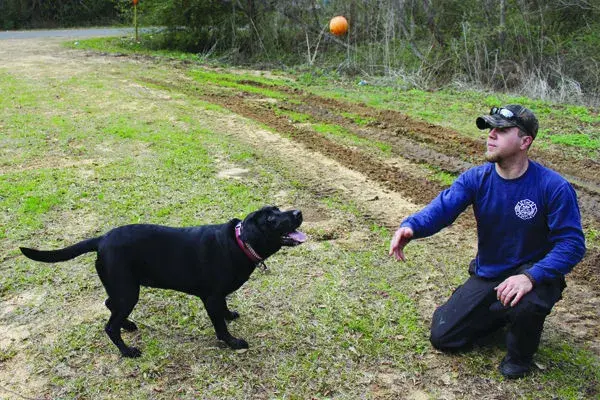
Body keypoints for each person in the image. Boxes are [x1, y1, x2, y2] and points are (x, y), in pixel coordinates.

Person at [389, 105, 586, 379]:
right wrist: (412, 227)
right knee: (444, 336)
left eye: (501, 131)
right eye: (490, 129)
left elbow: (572, 244)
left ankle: (520, 356)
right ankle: (501, 311)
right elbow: (443, 208)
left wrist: (531, 277)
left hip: (535, 274)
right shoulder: (477, 179)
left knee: (527, 304)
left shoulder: (553, 187)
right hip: (492, 271)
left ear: (525, 141)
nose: (491, 135)